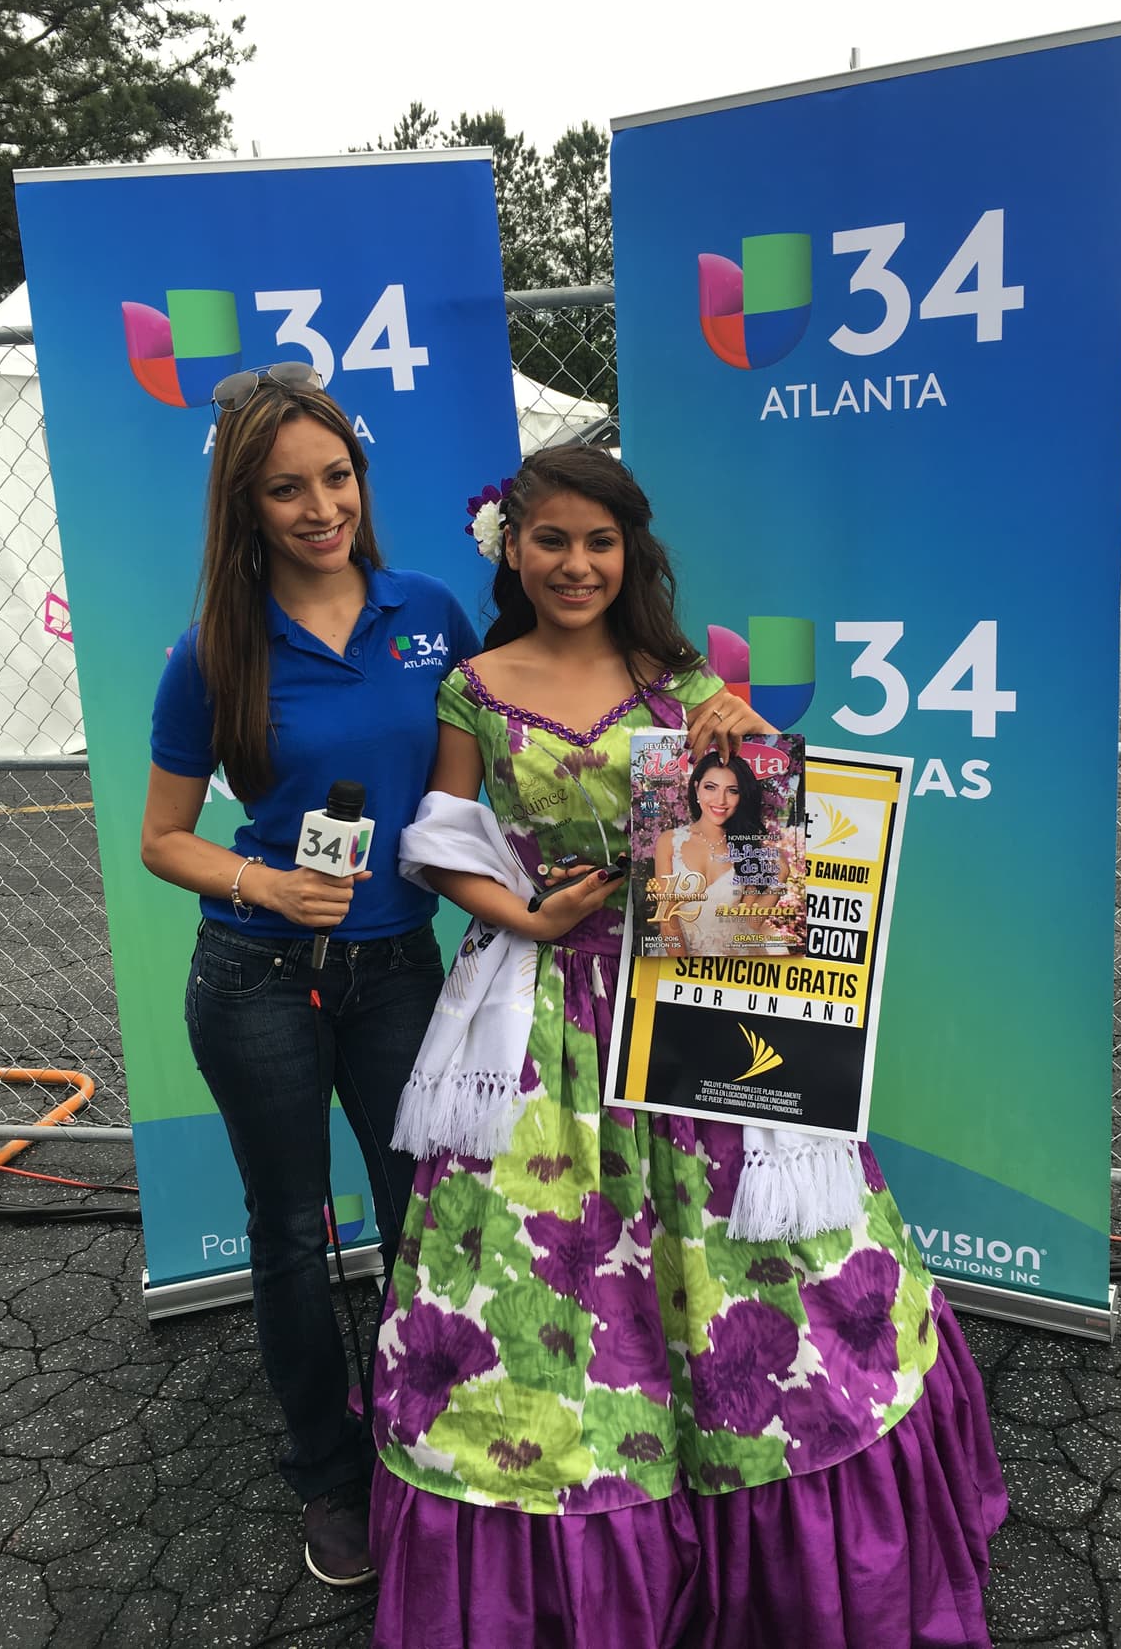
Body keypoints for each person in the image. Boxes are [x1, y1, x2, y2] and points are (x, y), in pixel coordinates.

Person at [369, 445, 1007, 1648]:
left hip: (694, 998)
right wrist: (524, 914)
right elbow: (444, 838)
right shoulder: (472, 685)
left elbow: (763, 863)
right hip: (544, 1019)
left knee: (757, 1270)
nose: (574, 564)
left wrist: (755, 739)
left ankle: (780, 1536)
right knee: (549, 1277)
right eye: (550, 540)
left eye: (598, 543)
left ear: (631, 553)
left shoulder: (682, 681)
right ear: (511, 547)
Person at [139, 366, 482, 1587]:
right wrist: (265, 886)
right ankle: (327, 1479)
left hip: (397, 967)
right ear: (245, 507)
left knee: (419, 1220)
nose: (318, 507)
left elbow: (480, 768)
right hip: (255, 978)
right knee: (289, 1234)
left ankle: (425, 1444)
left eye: (335, 478)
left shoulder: (431, 610)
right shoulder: (213, 651)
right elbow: (163, 836)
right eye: (285, 489)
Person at [654, 751, 776, 956]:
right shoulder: (669, 841)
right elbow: (667, 919)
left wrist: (781, 874)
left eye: (732, 791)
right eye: (711, 787)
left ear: (741, 797)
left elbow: (747, 924)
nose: (720, 800)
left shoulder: (748, 849)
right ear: (697, 789)